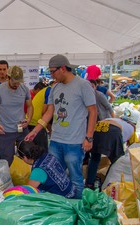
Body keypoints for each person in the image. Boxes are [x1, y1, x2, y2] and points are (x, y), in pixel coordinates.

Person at [25, 54, 97, 199]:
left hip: (75, 142)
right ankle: (59, 206)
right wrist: (35, 130)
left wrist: (89, 137)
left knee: (76, 178)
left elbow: (93, 111)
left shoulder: (83, 85)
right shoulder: (55, 88)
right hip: (56, 140)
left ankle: (77, 209)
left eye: (53, 71)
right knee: (54, 176)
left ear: (63, 69)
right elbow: (49, 112)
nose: (51, 75)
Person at [0, 65, 33, 166]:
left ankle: (26, 179)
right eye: (14, 82)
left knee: (27, 156)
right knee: (7, 160)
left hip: (22, 129)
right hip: (6, 131)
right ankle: (9, 180)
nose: (17, 85)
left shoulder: (24, 89)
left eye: (19, 82)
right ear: (8, 78)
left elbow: (30, 106)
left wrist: (28, 119)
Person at [85, 115, 137, 189]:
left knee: (95, 158)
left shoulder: (114, 120)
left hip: (97, 127)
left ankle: (89, 183)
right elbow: (132, 147)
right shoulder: (132, 128)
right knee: (116, 161)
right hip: (113, 131)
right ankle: (108, 184)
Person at [27, 83, 51, 149]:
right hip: (37, 125)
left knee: (35, 152)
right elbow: (44, 112)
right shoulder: (49, 91)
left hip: (31, 123)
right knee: (41, 152)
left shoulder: (45, 90)